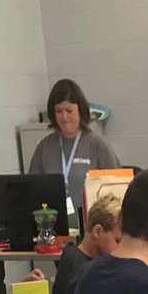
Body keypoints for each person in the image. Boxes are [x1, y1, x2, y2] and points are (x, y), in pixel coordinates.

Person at [27, 78, 120, 223]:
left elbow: (117, 192)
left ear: (80, 110)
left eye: (69, 110)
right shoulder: (44, 147)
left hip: (93, 229)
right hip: (54, 228)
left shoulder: (98, 145)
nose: (64, 117)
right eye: (59, 111)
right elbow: (32, 189)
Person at [51, 193, 121, 294]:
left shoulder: (103, 260)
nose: (121, 248)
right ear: (98, 231)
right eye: (117, 241)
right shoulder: (75, 263)